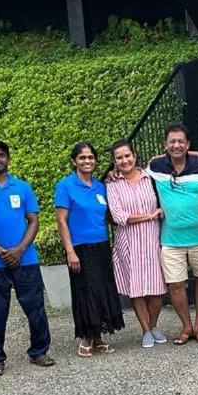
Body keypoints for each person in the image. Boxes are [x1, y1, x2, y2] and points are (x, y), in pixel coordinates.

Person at [0, 140, 54, 375]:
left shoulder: (22, 187)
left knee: (35, 307)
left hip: (26, 258)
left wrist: (19, 249)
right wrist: (1, 251)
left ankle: (39, 351)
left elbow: (33, 221)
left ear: (8, 159)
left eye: (1, 155)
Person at [54, 142, 125, 357]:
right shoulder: (65, 186)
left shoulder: (100, 187)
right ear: (74, 161)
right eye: (82, 158)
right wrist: (70, 251)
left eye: (91, 157)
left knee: (102, 290)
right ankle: (86, 337)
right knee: (85, 291)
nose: (87, 161)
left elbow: (109, 216)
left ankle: (98, 337)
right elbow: (62, 221)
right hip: (79, 248)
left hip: (101, 245)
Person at [147, 123, 198, 345]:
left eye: (180, 141)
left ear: (188, 145)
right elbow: (132, 175)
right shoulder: (156, 166)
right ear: (165, 145)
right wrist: (113, 174)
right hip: (171, 238)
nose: (176, 145)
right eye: (172, 142)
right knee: (175, 284)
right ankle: (186, 327)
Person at [106, 140, 168, 349]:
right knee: (137, 289)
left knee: (157, 287)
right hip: (129, 242)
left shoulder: (150, 177)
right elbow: (118, 216)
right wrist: (149, 215)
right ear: (114, 161)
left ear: (135, 155)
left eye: (128, 155)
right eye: (119, 158)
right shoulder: (112, 184)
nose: (125, 160)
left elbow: (167, 158)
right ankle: (145, 330)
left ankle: (154, 325)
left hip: (152, 239)